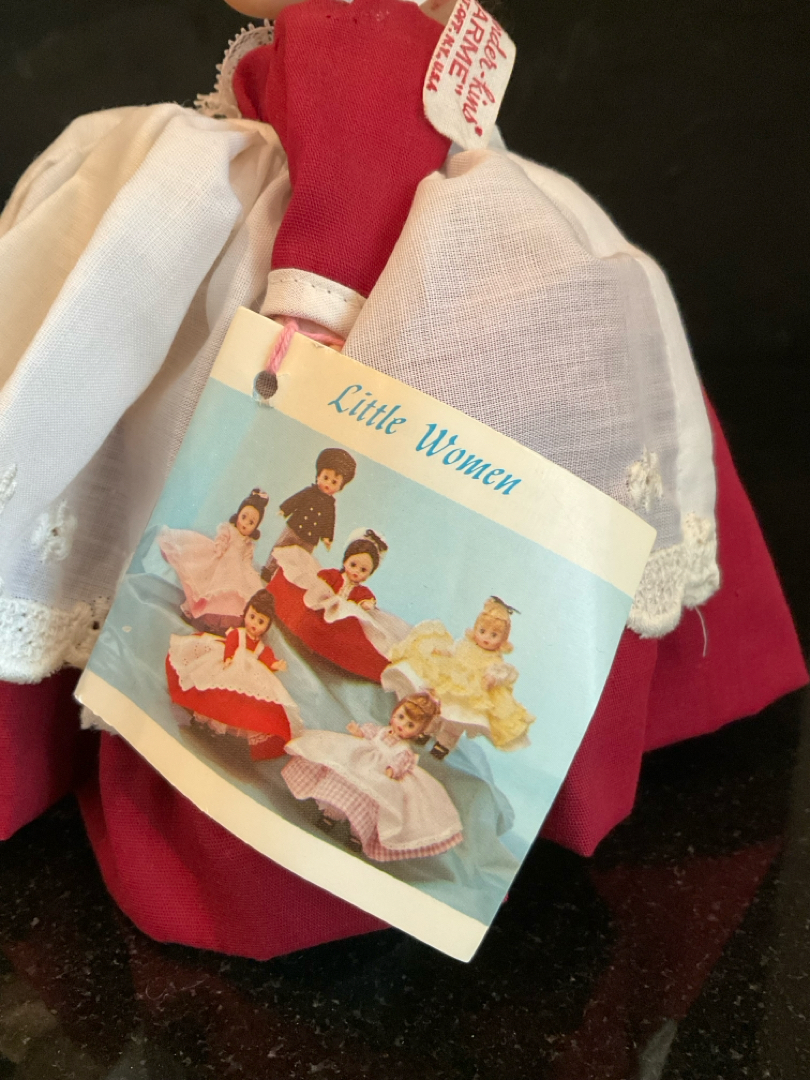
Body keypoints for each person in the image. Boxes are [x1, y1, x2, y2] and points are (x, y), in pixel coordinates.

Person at [282, 691, 463, 861]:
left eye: (410, 725)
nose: (402, 725)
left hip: (377, 778)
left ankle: (356, 836)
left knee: (365, 805)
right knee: (345, 790)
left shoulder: (403, 750)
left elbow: (400, 764)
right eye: (401, 717)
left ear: (419, 732)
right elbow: (365, 736)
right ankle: (330, 816)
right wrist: (358, 733)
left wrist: (391, 771)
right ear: (394, 712)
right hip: (359, 765)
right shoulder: (379, 731)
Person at [385, 596, 534, 756]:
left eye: (494, 635)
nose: (486, 638)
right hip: (451, 680)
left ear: (503, 639)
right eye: (482, 631)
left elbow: (502, 671)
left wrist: (492, 677)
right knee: (436, 707)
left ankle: (444, 743)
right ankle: (426, 730)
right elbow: (453, 651)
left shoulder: (494, 658)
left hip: (470, 692)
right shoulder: (465, 644)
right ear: (475, 629)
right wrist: (442, 652)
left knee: (455, 719)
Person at [166, 589, 302, 760]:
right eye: (252, 617)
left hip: (246, 676)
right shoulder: (238, 633)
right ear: (245, 614)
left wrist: (276, 664)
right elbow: (231, 644)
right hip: (229, 667)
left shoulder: (262, 647)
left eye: (261, 621)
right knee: (216, 693)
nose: (254, 623)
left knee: (233, 704)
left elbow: (267, 659)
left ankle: (215, 729)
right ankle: (201, 721)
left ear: (267, 626)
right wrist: (229, 657)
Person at [159, 489, 268, 633]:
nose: (245, 524)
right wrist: (220, 548)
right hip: (219, 563)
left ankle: (212, 623)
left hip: (234, 573)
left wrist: (248, 573)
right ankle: (188, 611)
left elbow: (247, 561)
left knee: (223, 598)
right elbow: (221, 539)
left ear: (255, 527)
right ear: (238, 514)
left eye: (251, 522)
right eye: (244, 517)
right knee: (204, 588)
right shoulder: (229, 529)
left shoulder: (248, 544)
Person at [261, 448, 357, 581]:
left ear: (340, 487)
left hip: (310, 538)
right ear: (318, 476)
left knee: (301, 559)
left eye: (334, 482)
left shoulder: (330, 506)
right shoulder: (309, 492)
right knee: (281, 548)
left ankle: (285, 579)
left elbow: (329, 522)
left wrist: (327, 537)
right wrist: (285, 509)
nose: (328, 484)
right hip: (294, 529)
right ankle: (269, 570)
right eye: (325, 478)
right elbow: (296, 499)